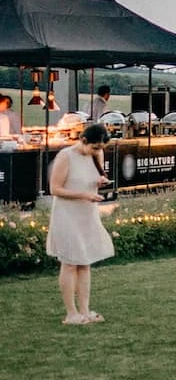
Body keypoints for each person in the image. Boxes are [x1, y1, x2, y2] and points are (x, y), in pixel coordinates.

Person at [46, 123, 113, 325]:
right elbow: (55, 189)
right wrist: (82, 194)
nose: (98, 151)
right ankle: (71, 313)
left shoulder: (96, 155)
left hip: (87, 213)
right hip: (67, 214)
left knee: (85, 262)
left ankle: (84, 310)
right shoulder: (66, 156)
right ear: (83, 141)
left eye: (101, 148)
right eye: (95, 147)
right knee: (70, 263)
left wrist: (99, 183)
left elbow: (91, 179)